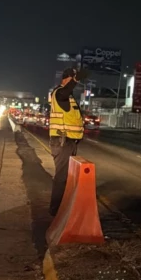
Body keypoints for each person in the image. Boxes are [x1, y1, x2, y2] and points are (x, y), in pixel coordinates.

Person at [49, 67, 86, 216]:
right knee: (61, 177)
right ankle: (56, 210)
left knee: (67, 177)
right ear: (66, 79)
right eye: (72, 78)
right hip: (62, 141)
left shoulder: (69, 97)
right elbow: (65, 92)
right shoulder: (59, 93)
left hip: (69, 142)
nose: (75, 82)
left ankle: (61, 208)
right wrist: (75, 81)